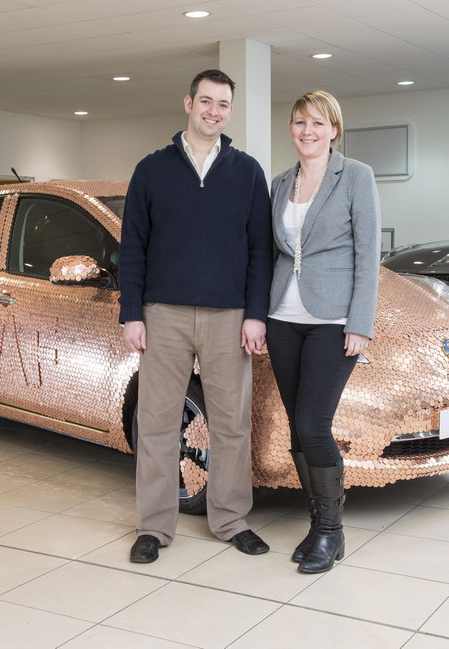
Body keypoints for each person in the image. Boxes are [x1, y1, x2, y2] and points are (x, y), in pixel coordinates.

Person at [118, 69, 273, 564]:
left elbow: (261, 251)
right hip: (162, 314)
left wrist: (256, 314)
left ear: (230, 111)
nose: (213, 112)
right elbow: (132, 247)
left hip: (229, 316)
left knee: (231, 424)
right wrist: (132, 313)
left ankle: (231, 520)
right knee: (157, 424)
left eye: (223, 104)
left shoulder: (248, 172)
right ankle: (154, 527)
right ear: (188, 103)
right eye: (206, 101)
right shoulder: (151, 169)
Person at [266, 90, 380, 574]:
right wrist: (259, 315)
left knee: (314, 425)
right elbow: (271, 252)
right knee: (297, 428)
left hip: (332, 321)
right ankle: (318, 526)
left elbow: (367, 254)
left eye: (318, 123)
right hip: (282, 318)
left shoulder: (355, 176)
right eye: (300, 122)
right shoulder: (280, 183)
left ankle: (332, 531)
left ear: (334, 129)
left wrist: (360, 322)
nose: (307, 131)